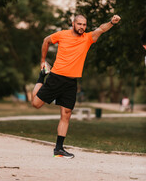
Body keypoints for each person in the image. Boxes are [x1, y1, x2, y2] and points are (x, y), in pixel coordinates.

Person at [32, 14, 121, 158]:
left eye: (84, 25)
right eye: (79, 24)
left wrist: (111, 22)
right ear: (73, 23)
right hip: (55, 78)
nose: (82, 27)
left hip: (71, 82)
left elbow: (101, 29)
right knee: (36, 104)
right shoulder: (62, 35)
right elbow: (45, 41)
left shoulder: (87, 38)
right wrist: (43, 61)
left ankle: (58, 149)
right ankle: (41, 77)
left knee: (66, 114)